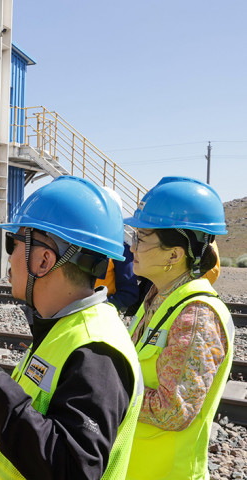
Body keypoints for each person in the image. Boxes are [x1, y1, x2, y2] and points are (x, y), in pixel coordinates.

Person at [0, 175, 143, 479]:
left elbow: (72, 468)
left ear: (43, 260)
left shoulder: (96, 353)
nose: (9, 259)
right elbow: (28, 425)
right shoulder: (61, 327)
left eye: (13, 245)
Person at [124, 176, 234, 479]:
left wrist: (108, 390)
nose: (131, 247)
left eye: (141, 239)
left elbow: (173, 409)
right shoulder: (159, 301)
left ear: (174, 255)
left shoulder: (196, 317)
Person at [94, 188, 140, 314]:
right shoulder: (77, 241)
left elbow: (128, 293)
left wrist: (99, 307)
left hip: (101, 316)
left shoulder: (121, 248)